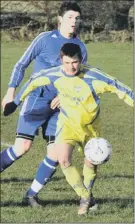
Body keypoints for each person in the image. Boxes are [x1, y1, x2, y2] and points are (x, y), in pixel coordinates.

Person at [10, 43, 134, 215]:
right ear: (61, 61)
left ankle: (86, 196)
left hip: (91, 129)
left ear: (81, 60)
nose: (71, 67)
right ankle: (85, 197)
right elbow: (32, 82)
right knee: (64, 160)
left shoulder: (94, 77)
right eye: (67, 63)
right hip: (67, 125)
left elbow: (121, 89)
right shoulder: (54, 75)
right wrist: (15, 102)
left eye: (74, 62)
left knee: (91, 163)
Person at [1, 2, 87, 174]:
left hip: (59, 107)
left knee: (55, 154)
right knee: (23, 146)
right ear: (60, 19)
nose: (74, 21)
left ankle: (31, 195)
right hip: (36, 99)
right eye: (70, 17)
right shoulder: (45, 38)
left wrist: (65, 96)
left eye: (77, 18)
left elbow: (80, 80)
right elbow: (21, 65)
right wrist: (11, 91)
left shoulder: (81, 48)